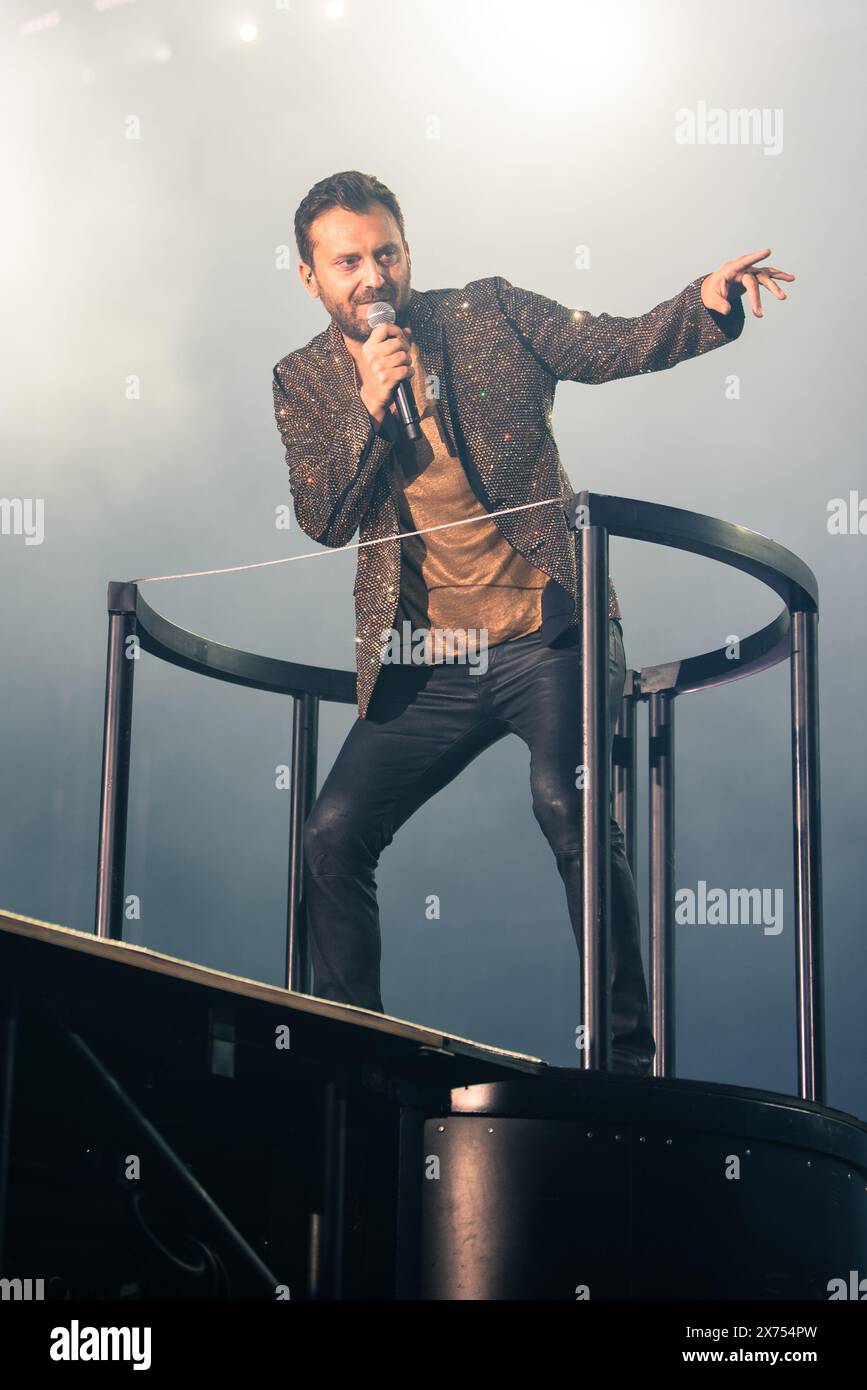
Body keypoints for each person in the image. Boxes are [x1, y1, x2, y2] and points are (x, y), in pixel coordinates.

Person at [271, 170, 793, 1074]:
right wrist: (367, 408)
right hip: (425, 658)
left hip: (547, 631)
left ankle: (622, 1068)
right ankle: (355, 1062)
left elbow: (614, 344)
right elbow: (324, 517)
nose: (373, 275)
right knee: (329, 833)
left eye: (386, 251)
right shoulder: (305, 380)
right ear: (310, 277)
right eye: (347, 260)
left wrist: (704, 306)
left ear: (407, 251)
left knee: (569, 804)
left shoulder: (486, 313)